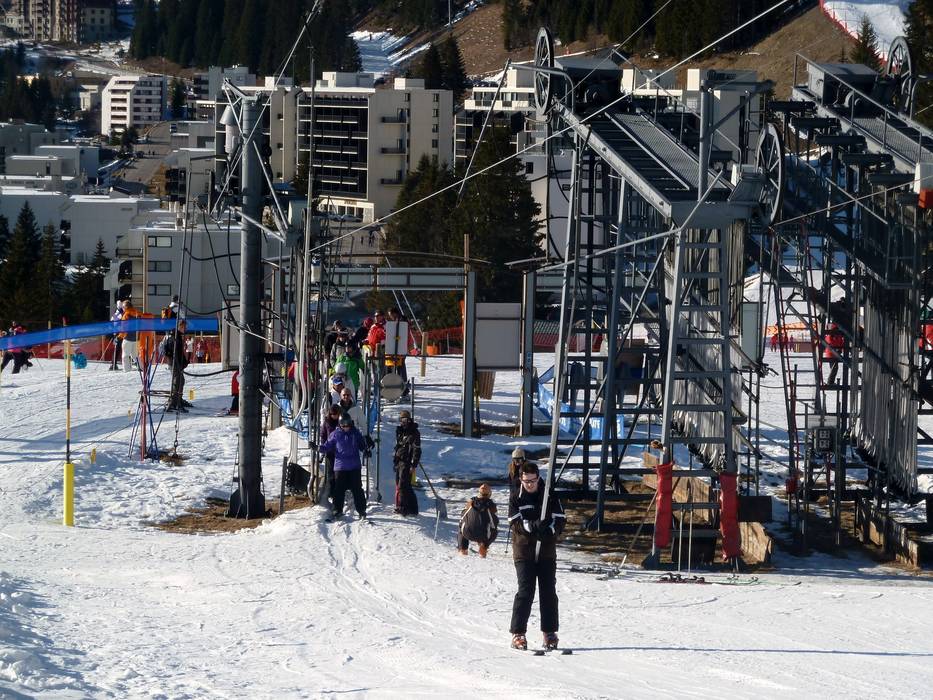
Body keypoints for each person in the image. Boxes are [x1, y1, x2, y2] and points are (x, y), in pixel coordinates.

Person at [508, 462, 565, 652]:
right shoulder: (516, 496)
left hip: (546, 551)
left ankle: (549, 632)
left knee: (548, 591)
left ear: (538, 478)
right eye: (526, 481)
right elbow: (514, 522)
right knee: (526, 590)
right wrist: (532, 527)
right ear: (521, 479)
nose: (530, 485)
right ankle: (518, 633)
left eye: (533, 481)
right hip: (524, 551)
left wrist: (549, 531)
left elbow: (560, 519)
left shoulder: (549, 495)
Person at [319, 414, 372, 521]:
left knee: (357, 489)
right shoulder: (335, 434)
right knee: (339, 489)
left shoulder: (355, 433)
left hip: (354, 466)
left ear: (350, 424)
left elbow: (362, 445)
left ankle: (361, 510)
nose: (346, 427)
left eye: (347, 425)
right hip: (340, 466)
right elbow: (327, 446)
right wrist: (317, 448)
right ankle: (337, 510)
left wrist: (366, 450)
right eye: (343, 425)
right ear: (340, 425)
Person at [457, 483, 499, 557]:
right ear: (489, 494)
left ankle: (463, 549)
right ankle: (483, 548)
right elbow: (495, 521)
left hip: (467, 533)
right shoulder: (491, 505)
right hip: (483, 535)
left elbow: (463, 515)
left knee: (462, 527)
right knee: (494, 530)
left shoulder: (471, 502)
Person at [393, 410, 421, 516]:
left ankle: (404, 508)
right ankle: (412, 509)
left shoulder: (414, 432)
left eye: (405, 420)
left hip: (407, 462)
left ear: (409, 420)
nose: (403, 422)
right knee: (402, 485)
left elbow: (417, 449)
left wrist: (414, 464)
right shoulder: (400, 431)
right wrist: (395, 459)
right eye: (401, 420)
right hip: (399, 460)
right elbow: (398, 446)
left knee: (403, 485)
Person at [164, 319, 189, 411]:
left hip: (177, 363)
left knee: (181, 380)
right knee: (177, 382)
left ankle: (178, 400)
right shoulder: (174, 336)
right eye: (185, 327)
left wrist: (184, 362)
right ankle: (173, 402)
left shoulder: (177, 335)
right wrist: (180, 363)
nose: (186, 329)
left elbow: (179, 352)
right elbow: (175, 352)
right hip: (174, 363)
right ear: (181, 326)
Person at [319, 403, 343, 495]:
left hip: (340, 451)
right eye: (332, 414)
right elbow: (323, 435)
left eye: (335, 414)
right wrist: (323, 447)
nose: (334, 416)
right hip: (330, 450)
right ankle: (332, 491)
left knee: (339, 472)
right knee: (331, 472)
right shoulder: (327, 422)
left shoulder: (342, 422)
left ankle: (339, 490)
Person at [120, 300, 143, 372]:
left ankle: (126, 370)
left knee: (125, 355)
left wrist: (119, 337)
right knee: (135, 355)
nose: (122, 309)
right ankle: (141, 367)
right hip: (136, 338)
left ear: (126, 307)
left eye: (123, 307)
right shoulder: (138, 313)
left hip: (128, 338)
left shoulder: (126, 315)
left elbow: (124, 328)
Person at [110, 302, 124, 370]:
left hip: (116, 334)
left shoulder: (115, 314)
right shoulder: (121, 314)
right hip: (120, 334)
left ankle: (113, 364)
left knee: (117, 349)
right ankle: (114, 364)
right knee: (120, 349)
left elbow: (111, 323)